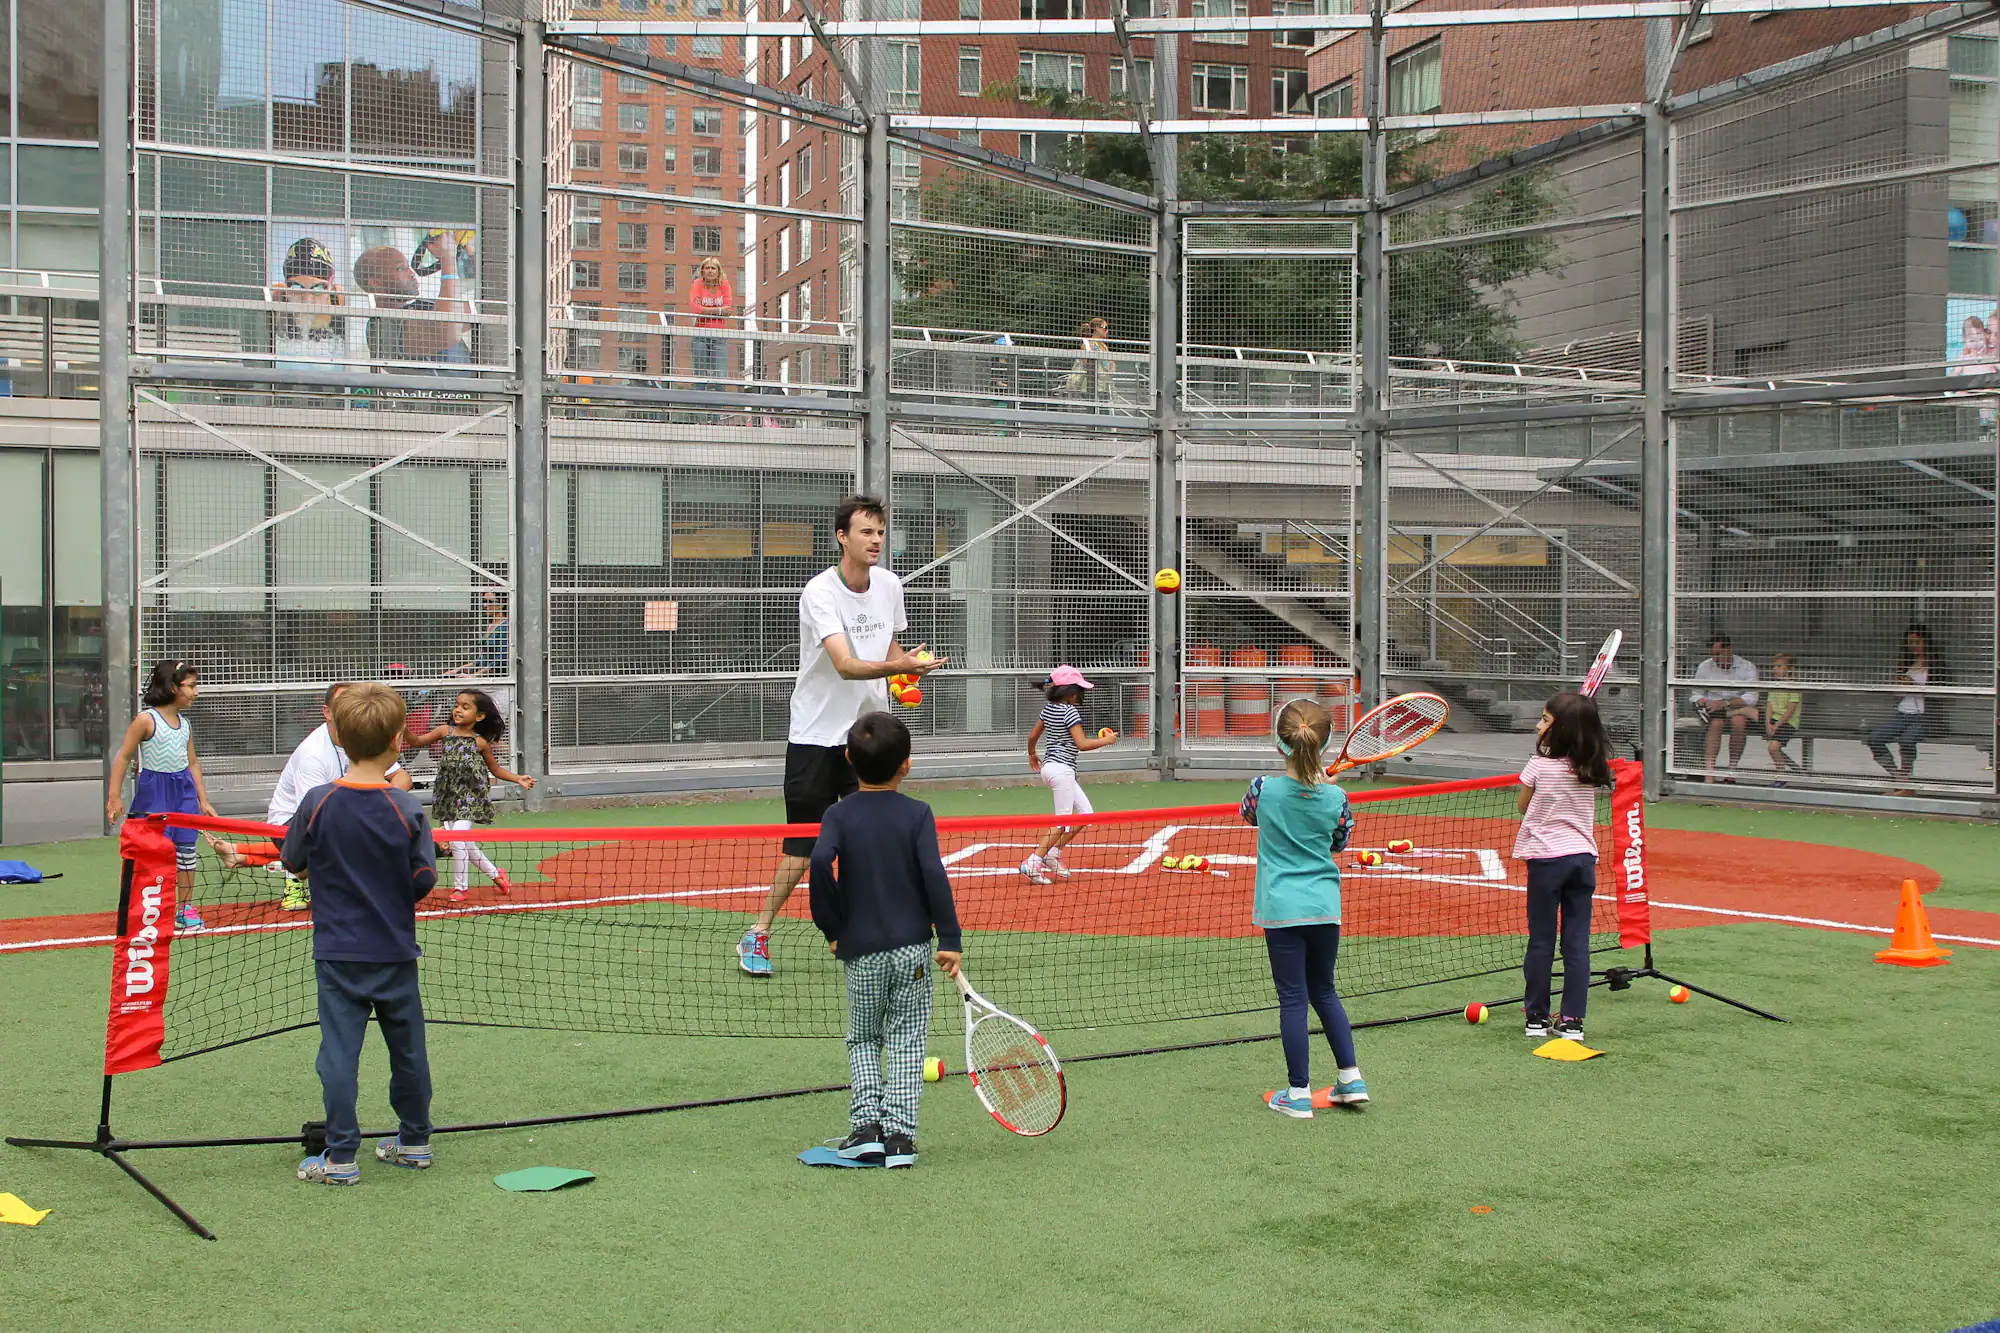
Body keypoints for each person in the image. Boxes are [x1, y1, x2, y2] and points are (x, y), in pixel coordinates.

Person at [735, 494, 943, 977]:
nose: (876, 540)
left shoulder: (890, 585)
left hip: (867, 736)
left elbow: (888, 645)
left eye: (880, 531)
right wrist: (900, 665)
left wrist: (909, 675)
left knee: (867, 839)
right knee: (804, 848)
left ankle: (857, 932)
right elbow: (847, 665)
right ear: (841, 537)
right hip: (814, 734)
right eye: (866, 532)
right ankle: (758, 932)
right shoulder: (820, 592)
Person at [282, 684, 439, 1186]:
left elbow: (294, 861)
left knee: (338, 1054)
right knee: (409, 1050)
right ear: (398, 740)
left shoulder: (317, 801)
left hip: (338, 955)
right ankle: (415, 1142)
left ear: (340, 740)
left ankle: (340, 1158)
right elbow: (423, 880)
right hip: (395, 952)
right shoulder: (407, 809)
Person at [809, 711, 963, 1168]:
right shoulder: (918, 813)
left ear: (848, 760)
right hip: (913, 948)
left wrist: (832, 928)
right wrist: (949, 937)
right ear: (907, 765)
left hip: (862, 951)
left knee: (863, 1039)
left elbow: (819, 863)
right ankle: (900, 1139)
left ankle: (865, 1128)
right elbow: (934, 874)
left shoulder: (838, 813)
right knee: (908, 1040)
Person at [1238, 698, 1365, 1118]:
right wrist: (1322, 789)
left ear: (1279, 744)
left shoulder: (1262, 789)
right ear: (1325, 745)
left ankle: (1297, 1095)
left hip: (1282, 908)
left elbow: (1248, 815)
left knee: (1293, 999)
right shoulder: (1338, 798)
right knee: (1324, 991)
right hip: (1324, 907)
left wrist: (1310, 787)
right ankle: (1351, 1078)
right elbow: (1339, 842)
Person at [205, 682, 414, 912]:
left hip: (339, 812)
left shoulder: (363, 738)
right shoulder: (313, 755)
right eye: (342, 705)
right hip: (290, 822)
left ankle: (241, 855)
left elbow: (403, 778)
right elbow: (317, 815)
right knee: (333, 850)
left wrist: (382, 803)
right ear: (327, 713)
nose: (349, 710)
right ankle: (293, 878)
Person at [1515, 691, 1614, 1043]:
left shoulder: (1537, 766)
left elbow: (1523, 806)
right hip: (1582, 861)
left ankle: (1536, 1017)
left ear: (1560, 731)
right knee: (1577, 945)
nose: (1537, 725)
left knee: (1541, 942)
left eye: (1544, 720)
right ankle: (1573, 1021)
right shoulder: (1592, 766)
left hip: (1546, 861)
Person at [106, 660, 219, 934]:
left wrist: (202, 799)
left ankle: (185, 909)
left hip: (184, 794)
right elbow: (123, 757)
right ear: (172, 687)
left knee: (186, 852)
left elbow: (192, 763)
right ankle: (147, 908)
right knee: (150, 853)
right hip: (154, 792)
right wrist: (114, 797)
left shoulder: (185, 725)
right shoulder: (146, 720)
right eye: (191, 686)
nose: (196, 692)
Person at [405, 688, 535, 902]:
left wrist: (518, 778)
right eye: (457, 705)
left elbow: (495, 770)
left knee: (457, 839)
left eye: (465, 707)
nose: (458, 710)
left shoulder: (480, 742)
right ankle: (497, 875)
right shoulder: (444, 731)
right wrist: (402, 726)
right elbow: (416, 742)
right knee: (464, 843)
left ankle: (461, 888)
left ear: (480, 716)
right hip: (448, 795)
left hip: (471, 796)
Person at [1020, 665, 1117, 885]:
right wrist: (1106, 741)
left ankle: (1052, 854)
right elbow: (1081, 744)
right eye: (1078, 690)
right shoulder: (1070, 712)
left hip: (1052, 769)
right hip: (1061, 770)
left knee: (1085, 814)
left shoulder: (1048, 709)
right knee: (1063, 822)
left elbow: (1032, 735)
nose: (1079, 694)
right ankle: (1033, 862)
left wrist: (1032, 754)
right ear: (1070, 691)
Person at [355, 233, 472, 365]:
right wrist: (447, 261)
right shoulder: (381, 327)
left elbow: (474, 313)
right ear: (376, 283)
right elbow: (447, 333)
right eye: (400, 268)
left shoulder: (421, 306)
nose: (411, 273)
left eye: (408, 267)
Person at [1867, 625, 1937, 794]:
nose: (1913, 646)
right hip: (1903, 713)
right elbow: (1898, 694)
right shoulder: (1907, 664)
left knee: (1907, 740)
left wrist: (1914, 685)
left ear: (1926, 641)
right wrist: (1900, 686)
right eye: (1910, 643)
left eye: (1917, 642)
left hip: (1924, 716)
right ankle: (1900, 779)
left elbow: (1941, 693)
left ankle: (1905, 781)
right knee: (1874, 738)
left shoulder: (1936, 665)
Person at [270, 236, 356, 370]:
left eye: (318, 288)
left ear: (330, 287)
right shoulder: (275, 298)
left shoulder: (340, 300)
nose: (307, 299)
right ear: (285, 287)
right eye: (296, 287)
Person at [1690, 635, 1759, 779]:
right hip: (1714, 710)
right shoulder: (1705, 666)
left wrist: (1725, 703)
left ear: (1729, 649)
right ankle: (1710, 770)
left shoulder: (1747, 667)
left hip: (1735, 708)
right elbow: (1695, 693)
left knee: (1739, 722)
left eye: (1718, 654)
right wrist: (1704, 702)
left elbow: (1752, 697)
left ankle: (1731, 770)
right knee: (1716, 724)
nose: (1715, 658)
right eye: (1712, 655)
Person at [688, 257, 739, 385]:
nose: (710, 271)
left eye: (713, 268)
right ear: (702, 271)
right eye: (707, 268)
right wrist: (720, 310)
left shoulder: (724, 285)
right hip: (700, 334)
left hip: (719, 336)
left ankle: (718, 404)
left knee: (720, 376)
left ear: (718, 271)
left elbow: (728, 311)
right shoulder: (697, 284)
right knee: (700, 376)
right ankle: (699, 404)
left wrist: (705, 309)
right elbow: (695, 309)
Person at [1764, 652, 1805, 780]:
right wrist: (1767, 724)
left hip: (1787, 722)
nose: (1774, 669)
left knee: (1773, 747)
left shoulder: (1794, 686)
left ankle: (1781, 775)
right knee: (1747, 711)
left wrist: (1776, 725)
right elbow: (1769, 705)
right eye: (1774, 666)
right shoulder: (1773, 685)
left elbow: (1790, 710)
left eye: (1779, 666)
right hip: (1773, 720)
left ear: (1790, 669)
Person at [456, 591, 510, 677]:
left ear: (501, 604)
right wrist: (457, 670)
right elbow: (483, 659)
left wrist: (474, 676)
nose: (485, 605)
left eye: (490, 602)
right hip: (485, 676)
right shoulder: (490, 625)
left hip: (497, 679)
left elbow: (501, 659)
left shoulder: (505, 626)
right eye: (484, 601)